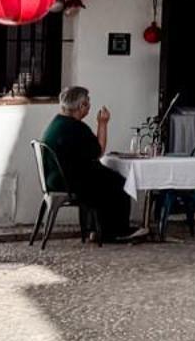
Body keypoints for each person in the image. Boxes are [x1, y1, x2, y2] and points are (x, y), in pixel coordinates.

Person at [40, 87, 145, 244]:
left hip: (54, 178)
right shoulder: (76, 128)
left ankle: (96, 230)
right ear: (81, 106)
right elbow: (98, 151)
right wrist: (102, 123)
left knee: (105, 177)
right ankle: (115, 232)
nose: (89, 107)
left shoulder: (57, 122)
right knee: (119, 183)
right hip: (69, 181)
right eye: (88, 104)